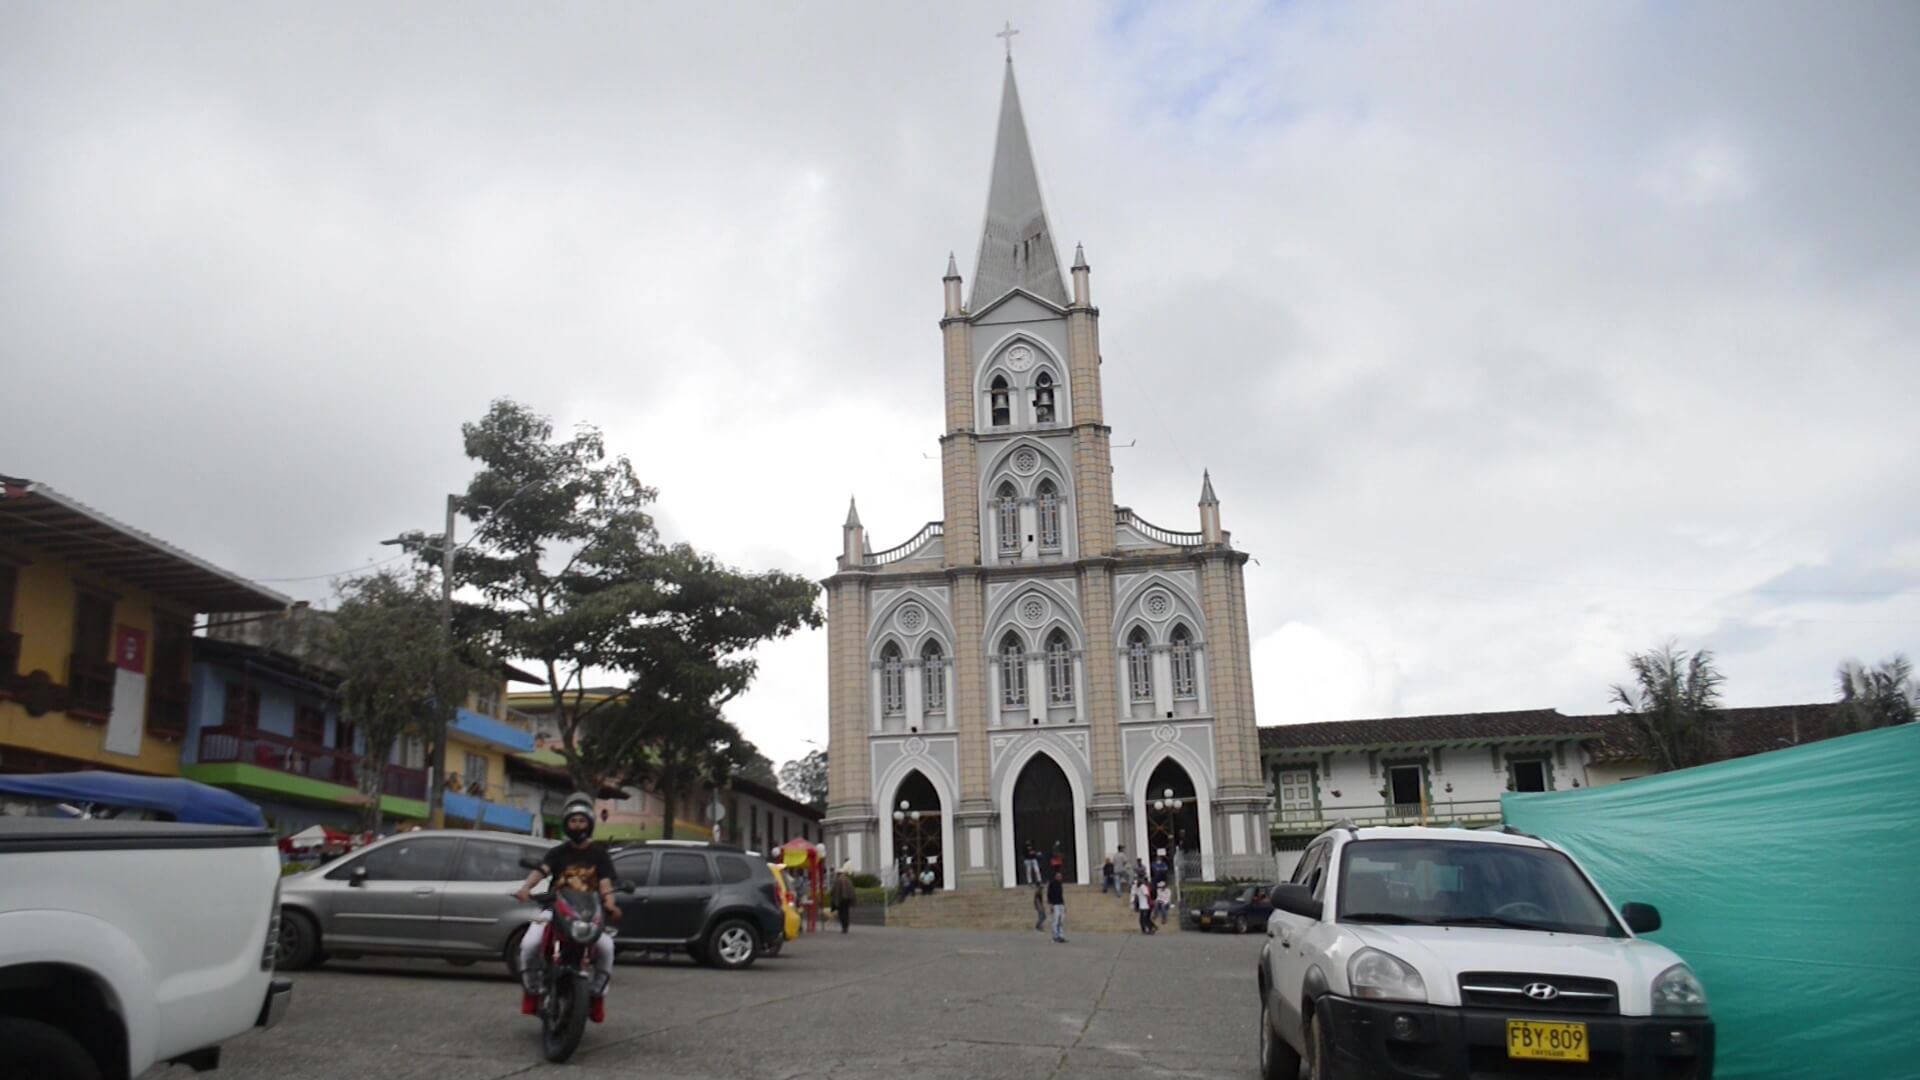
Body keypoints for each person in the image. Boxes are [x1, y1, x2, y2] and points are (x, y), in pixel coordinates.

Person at [514, 792, 621, 1024]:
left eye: (582, 821)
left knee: (607, 948)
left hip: (588, 915)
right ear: (566, 824)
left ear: (590, 823)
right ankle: (532, 992)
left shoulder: (599, 854)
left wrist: (610, 904)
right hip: (555, 910)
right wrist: (525, 888)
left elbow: (605, 883)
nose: (578, 825)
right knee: (529, 944)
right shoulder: (558, 853)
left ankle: (596, 996)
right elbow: (541, 870)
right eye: (573, 821)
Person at [830, 862, 856, 934]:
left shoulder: (838, 880)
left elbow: (834, 891)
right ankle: (846, 927)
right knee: (846, 913)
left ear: (838, 873)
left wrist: (834, 900)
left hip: (841, 900)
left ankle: (844, 927)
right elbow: (852, 890)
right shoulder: (848, 880)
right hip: (847, 899)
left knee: (842, 914)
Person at [1047, 871, 1067, 943]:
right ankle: (1055, 936)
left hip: (1060, 903)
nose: (1060, 877)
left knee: (1061, 921)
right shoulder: (1052, 884)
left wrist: (1064, 905)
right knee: (1055, 920)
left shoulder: (1060, 884)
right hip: (1055, 904)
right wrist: (1051, 904)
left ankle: (1061, 936)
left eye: (1060, 876)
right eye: (1058, 876)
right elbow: (1049, 894)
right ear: (1055, 877)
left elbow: (1061, 895)